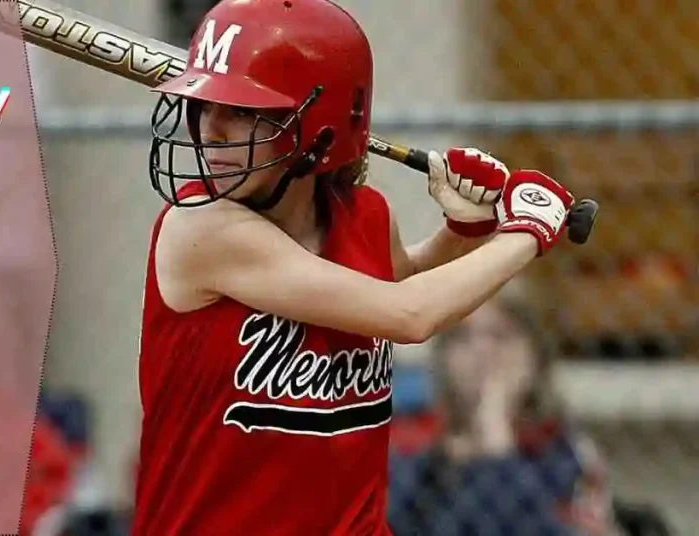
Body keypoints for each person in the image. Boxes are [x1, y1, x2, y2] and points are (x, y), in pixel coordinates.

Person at [132, 0, 577, 534]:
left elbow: (398, 282)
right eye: (205, 106)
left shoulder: (365, 215)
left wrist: (463, 232)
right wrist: (528, 231)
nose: (213, 130)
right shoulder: (202, 229)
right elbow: (409, 315)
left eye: (245, 111)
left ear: (321, 127)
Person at [387, 291, 625, 536]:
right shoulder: (411, 444)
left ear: (534, 357)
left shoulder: (562, 451)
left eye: (501, 336)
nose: (482, 351)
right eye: (462, 338)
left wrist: (497, 444)